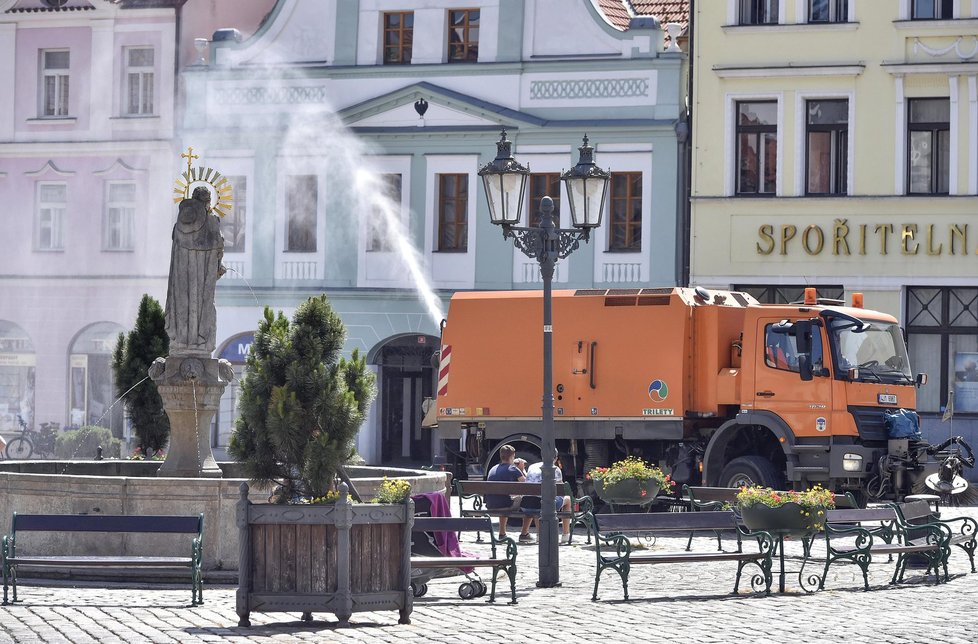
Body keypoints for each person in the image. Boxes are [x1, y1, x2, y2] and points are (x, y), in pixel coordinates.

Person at [164, 186, 226, 357]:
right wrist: (218, 265)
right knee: (203, 306)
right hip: (202, 280)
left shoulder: (179, 225)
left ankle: (181, 341)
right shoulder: (212, 222)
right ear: (207, 203)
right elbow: (218, 248)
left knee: (182, 303)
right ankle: (200, 341)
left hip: (182, 279)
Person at [485, 445, 534, 543]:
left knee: (503, 498)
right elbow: (528, 485)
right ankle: (524, 533)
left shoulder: (493, 469)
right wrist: (521, 469)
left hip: (491, 504)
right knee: (530, 501)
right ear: (512, 457)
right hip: (506, 504)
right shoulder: (513, 469)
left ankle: (502, 533)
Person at [521, 455, 574, 545]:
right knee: (567, 499)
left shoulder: (532, 466)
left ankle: (526, 533)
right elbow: (560, 490)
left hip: (526, 504)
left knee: (535, 499)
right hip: (542, 505)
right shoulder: (555, 469)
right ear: (556, 458)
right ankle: (566, 535)